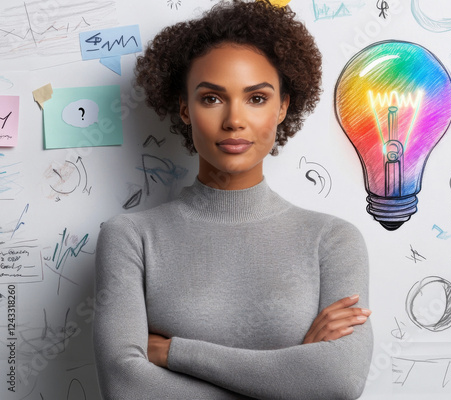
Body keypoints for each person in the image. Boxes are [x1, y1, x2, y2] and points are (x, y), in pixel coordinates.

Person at [93, 1, 373, 399]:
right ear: (183, 108)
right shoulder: (130, 237)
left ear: (283, 106)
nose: (234, 120)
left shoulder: (332, 240)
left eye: (257, 98)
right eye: (211, 98)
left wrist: (173, 352)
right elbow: (126, 388)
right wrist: (291, 379)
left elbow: (338, 381)